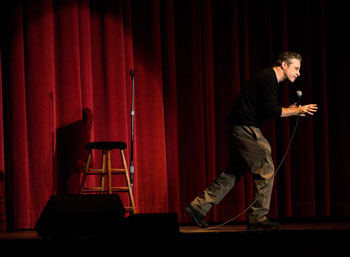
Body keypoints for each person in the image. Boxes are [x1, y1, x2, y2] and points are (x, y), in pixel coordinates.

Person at [185, 51, 318, 230]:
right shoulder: (268, 78)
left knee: (233, 172)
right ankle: (258, 216)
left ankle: (198, 207)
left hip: (237, 127)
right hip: (244, 128)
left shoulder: (268, 79)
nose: (298, 73)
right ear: (284, 65)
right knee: (266, 166)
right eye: (296, 68)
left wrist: (289, 109)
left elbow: (266, 109)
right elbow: (273, 111)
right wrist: (297, 110)